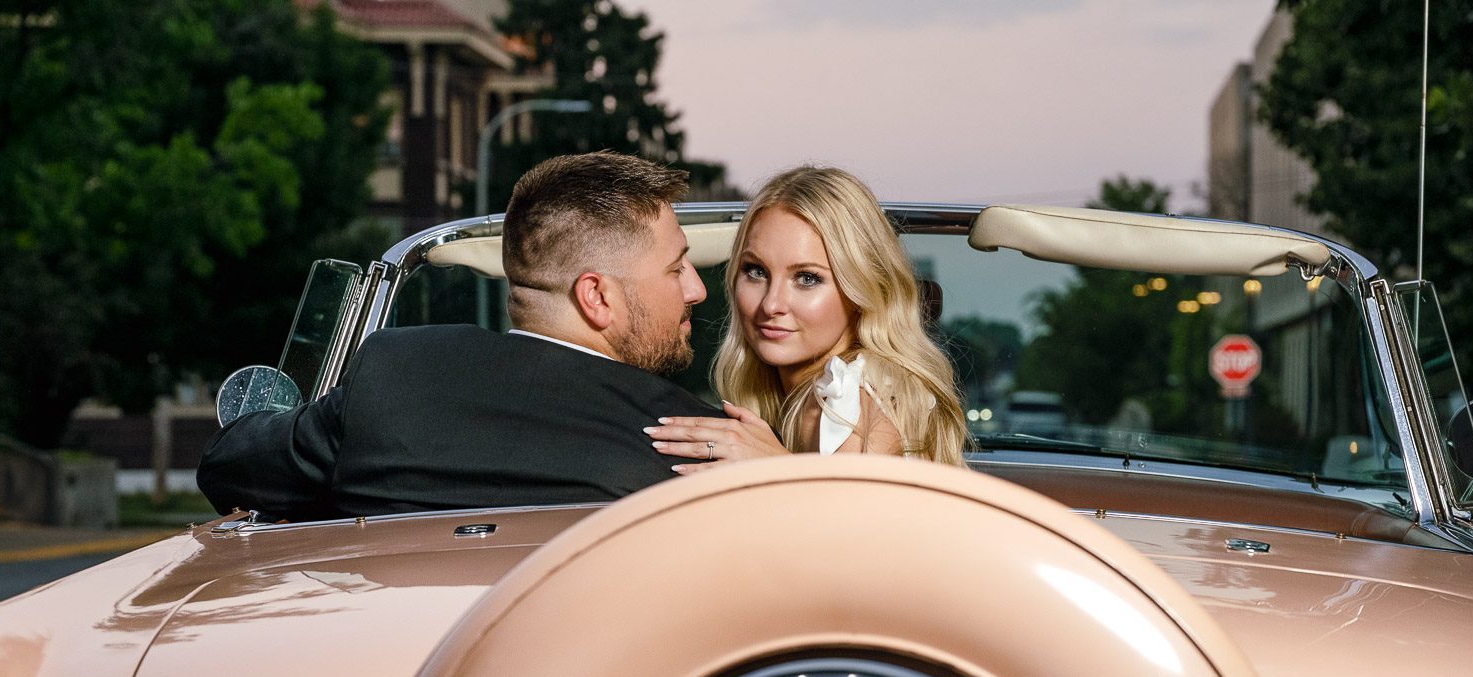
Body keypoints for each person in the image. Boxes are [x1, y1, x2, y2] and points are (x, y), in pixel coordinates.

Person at [198, 151, 723, 520]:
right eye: (677, 269)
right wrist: (783, 474)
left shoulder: (395, 377)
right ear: (597, 297)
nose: (697, 289)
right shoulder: (699, 442)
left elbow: (229, 466)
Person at [644, 165, 967, 469]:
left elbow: (854, 528)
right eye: (755, 271)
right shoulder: (793, 396)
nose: (771, 304)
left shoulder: (856, 401)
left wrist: (774, 468)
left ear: (860, 291)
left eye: (807, 278)